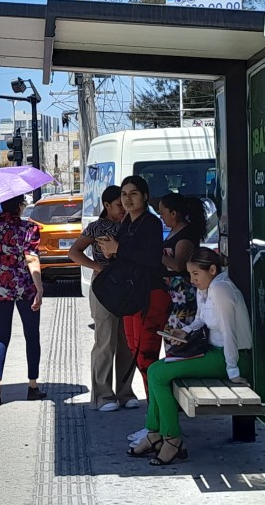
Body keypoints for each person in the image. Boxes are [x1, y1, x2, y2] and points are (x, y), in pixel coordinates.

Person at [127, 247, 252, 465]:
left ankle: (171, 438)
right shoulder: (208, 288)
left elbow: (229, 331)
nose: (192, 280)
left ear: (212, 270)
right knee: (156, 369)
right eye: (190, 274)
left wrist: (233, 371)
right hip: (214, 352)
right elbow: (201, 319)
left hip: (229, 357)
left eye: (196, 274)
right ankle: (155, 433)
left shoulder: (221, 289)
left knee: (158, 375)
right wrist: (183, 332)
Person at [96, 175, 166, 444]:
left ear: (145, 197)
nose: (127, 198)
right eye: (124, 194)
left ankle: (156, 426)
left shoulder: (150, 223)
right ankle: (153, 423)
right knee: (139, 359)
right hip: (132, 298)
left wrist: (119, 248)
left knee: (148, 360)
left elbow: (151, 258)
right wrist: (114, 252)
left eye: (134, 193)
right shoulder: (127, 222)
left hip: (150, 297)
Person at [68, 185, 139, 412]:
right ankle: (103, 395)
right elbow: (74, 252)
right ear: (107, 205)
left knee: (127, 342)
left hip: (128, 287)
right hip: (104, 289)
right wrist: (96, 266)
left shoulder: (133, 225)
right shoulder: (96, 227)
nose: (123, 208)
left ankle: (125, 392)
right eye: (119, 204)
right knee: (105, 341)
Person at [0, 194, 46, 407]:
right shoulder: (29, 228)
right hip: (24, 285)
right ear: (19, 207)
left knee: (1, 336)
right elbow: (32, 259)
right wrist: (40, 288)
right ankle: (32, 386)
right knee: (31, 335)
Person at [158, 192, 207, 333]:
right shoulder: (175, 230)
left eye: (163, 213)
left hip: (182, 290)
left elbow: (178, 265)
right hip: (172, 290)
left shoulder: (185, 235)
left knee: (178, 329)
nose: (161, 217)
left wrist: (156, 254)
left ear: (173, 213)